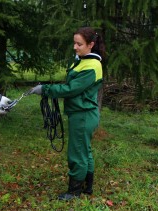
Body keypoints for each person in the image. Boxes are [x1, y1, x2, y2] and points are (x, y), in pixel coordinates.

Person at [30, 27, 106, 200]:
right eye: (74, 43)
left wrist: (45, 89)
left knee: (77, 151)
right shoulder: (82, 60)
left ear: (91, 44)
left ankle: (74, 191)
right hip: (82, 112)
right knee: (84, 150)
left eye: (79, 44)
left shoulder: (92, 66)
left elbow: (72, 89)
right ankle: (87, 186)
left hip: (83, 115)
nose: (75, 47)